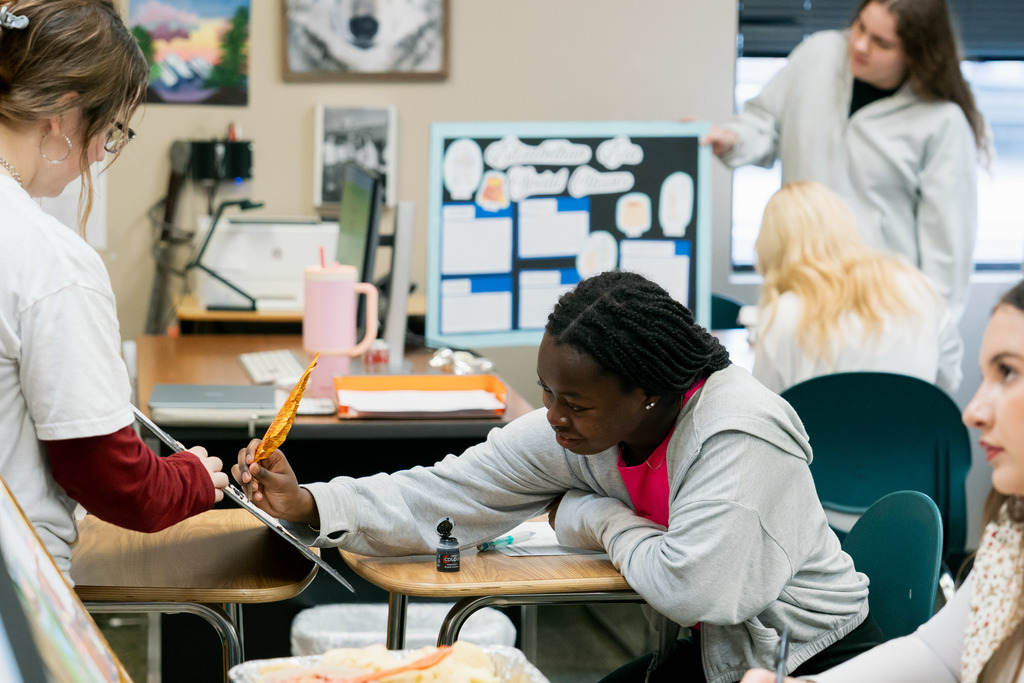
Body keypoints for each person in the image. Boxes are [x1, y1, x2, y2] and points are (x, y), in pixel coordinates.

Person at [235, 270, 879, 683]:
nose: (554, 418)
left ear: (648, 392)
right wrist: (313, 503)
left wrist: (592, 517)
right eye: (547, 393)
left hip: (808, 656)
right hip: (723, 655)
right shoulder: (582, 430)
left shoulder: (739, 435)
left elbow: (693, 588)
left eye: (574, 404)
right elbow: (451, 492)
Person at [0, 0, 228, 578]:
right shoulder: (47, 260)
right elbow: (117, 484)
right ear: (62, 114)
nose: (101, 153)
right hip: (17, 591)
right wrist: (193, 479)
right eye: (110, 132)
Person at [741, 278, 1024, 682]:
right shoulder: (1014, 533)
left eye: (1008, 372)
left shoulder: (783, 314)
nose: (973, 411)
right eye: (985, 376)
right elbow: (939, 654)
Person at [705, 0, 987, 320]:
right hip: (799, 288)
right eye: (861, 27)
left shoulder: (941, 122)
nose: (860, 44)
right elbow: (764, 123)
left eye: (882, 43)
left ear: (916, 53)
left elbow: (947, 252)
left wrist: (932, 333)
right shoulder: (819, 55)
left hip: (881, 308)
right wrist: (733, 139)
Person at [751, 180, 962, 394]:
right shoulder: (917, 287)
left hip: (818, 428)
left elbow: (763, 413)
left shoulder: (780, 316)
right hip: (918, 426)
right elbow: (947, 382)